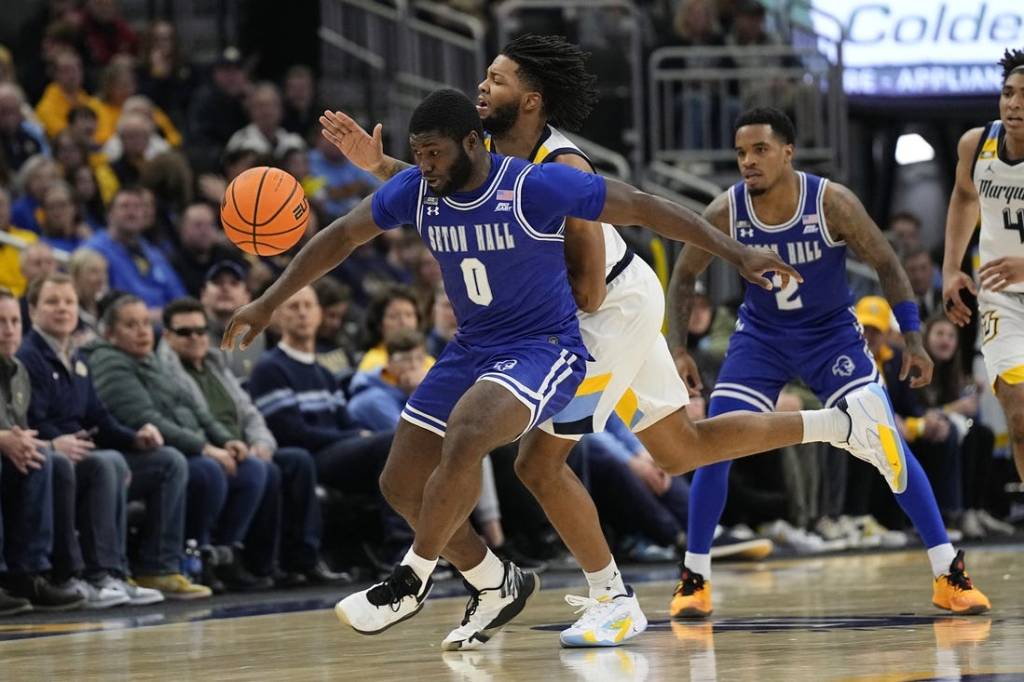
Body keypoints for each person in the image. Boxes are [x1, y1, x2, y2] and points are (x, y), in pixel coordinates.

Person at [224, 87, 898, 649]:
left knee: (493, 446)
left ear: (473, 143)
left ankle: (412, 578)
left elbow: (643, 207)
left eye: (434, 153)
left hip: (548, 346)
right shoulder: (419, 188)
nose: (424, 166)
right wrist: (265, 299)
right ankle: (495, 583)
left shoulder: (539, 184)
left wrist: (737, 253)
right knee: (404, 481)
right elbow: (340, 237)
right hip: (474, 349)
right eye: (418, 155)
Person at [668, 107, 991, 619]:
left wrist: (913, 339)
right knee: (715, 442)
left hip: (831, 337)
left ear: (788, 152)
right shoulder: (727, 209)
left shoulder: (830, 201)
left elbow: (886, 262)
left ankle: (948, 571)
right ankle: (694, 577)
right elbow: (684, 276)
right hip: (762, 339)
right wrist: (679, 348)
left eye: (760, 150)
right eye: (740, 153)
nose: (747, 162)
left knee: (884, 440)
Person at [157, 296, 346, 586]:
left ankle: (294, 561)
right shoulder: (166, 374)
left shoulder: (214, 364)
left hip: (240, 446)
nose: (194, 337)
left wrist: (262, 444)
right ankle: (224, 555)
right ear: (167, 336)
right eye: (184, 332)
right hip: (208, 450)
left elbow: (249, 411)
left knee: (294, 461)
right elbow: (190, 422)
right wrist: (218, 448)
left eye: (199, 330)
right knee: (260, 471)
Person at [87, 293, 259, 594]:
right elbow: (142, 417)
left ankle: (219, 555)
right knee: (197, 468)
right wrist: (205, 447)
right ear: (110, 333)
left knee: (254, 470)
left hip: (179, 446)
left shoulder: (150, 360)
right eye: (131, 325)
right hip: (135, 452)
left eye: (144, 323)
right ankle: (162, 563)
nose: (142, 331)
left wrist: (226, 439)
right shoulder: (109, 362)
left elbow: (195, 410)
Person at [19, 273, 167, 606]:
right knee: (104, 463)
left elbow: (98, 417)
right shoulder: (29, 357)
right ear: (32, 309)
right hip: (49, 452)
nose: (63, 309)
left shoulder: (79, 357)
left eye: (69, 302)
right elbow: (32, 418)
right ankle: (93, 573)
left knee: (125, 459)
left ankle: (116, 572)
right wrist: (58, 441)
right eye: (52, 302)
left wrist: (135, 437)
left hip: (79, 450)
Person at [943, 47, 1024, 486]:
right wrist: (951, 268)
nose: (1014, 104)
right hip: (1002, 299)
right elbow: (965, 197)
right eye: (1009, 93)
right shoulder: (977, 145)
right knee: (1020, 417)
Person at [0, 287, 85, 613]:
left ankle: (30, 574)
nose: (9, 329)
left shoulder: (17, 371)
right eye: (1, 321)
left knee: (45, 461)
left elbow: (18, 429)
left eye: (13, 321)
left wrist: (19, 442)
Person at [83, 187, 186, 315]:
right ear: (109, 214)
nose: (132, 213)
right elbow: (100, 303)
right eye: (124, 206)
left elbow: (179, 296)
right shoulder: (94, 251)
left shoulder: (153, 253)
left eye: (137, 207)